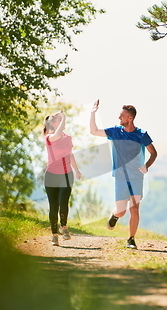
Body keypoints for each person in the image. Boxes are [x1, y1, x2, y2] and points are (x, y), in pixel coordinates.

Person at [90, 100, 157, 249]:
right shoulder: (115, 132)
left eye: (121, 116)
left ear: (130, 118)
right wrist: (93, 113)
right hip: (120, 176)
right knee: (121, 211)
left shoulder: (141, 135)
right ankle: (115, 216)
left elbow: (153, 153)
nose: (119, 118)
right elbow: (94, 131)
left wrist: (146, 166)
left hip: (136, 177)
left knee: (134, 209)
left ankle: (131, 239)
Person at [43, 111, 82, 246]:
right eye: (60, 120)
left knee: (63, 202)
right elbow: (57, 134)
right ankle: (54, 235)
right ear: (53, 124)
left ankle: (63, 227)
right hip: (51, 176)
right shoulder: (49, 137)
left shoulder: (68, 138)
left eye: (63, 120)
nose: (64, 123)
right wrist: (64, 117)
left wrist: (76, 170)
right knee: (53, 206)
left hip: (66, 175)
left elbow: (70, 154)